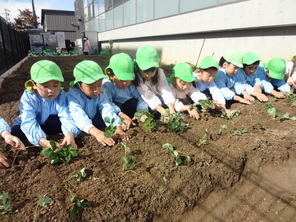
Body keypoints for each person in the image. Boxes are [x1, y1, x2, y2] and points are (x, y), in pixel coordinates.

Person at [11, 60, 80, 148]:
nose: (51, 90)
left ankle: (46, 133)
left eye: (55, 85)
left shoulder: (60, 95)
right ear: (33, 85)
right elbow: (28, 121)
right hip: (29, 124)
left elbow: (66, 116)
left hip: (47, 123)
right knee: (17, 131)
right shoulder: (29, 97)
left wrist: (70, 134)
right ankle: (39, 136)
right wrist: (44, 141)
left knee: (55, 122)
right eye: (45, 86)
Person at [67, 60, 129, 147]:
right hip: (79, 125)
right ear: (79, 85)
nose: (96, 90)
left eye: (99, 85)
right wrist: (97, 133)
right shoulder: (74, 96)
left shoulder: (101, 93)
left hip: (94, 119)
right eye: (91, 87)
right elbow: (79, 117)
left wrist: (117, 127)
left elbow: (106, 108)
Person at [104, 53, 149, 130]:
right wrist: (121, 115)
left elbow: (140, 97)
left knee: (133, 103)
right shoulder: (107, 85)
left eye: (128, 80)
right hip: (114, 111)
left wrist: (141, 111)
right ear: (110, 74)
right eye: (121, 80)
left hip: (126, 108)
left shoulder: (130, 86)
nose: (125, 83)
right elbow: (107, 103)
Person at [133, 45, 176, 118]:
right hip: (145, 98)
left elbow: (165, 89)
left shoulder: (159, 72)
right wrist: (161, 110)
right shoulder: (137, 76)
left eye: (152, 71)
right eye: (145, 71)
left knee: (168, 101)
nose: (148, 75)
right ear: (138, 67)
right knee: (144, 105)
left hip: (157, 97)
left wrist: (171, 108)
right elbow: (146, 94)